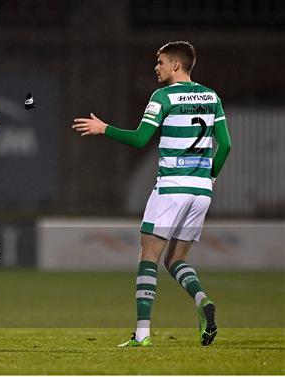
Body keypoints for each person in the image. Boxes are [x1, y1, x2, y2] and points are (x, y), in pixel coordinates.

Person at [72, 41, 231, 347]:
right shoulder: (212, 97)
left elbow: (140, 138)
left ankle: (142, 333)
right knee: (175, 260)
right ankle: (202, 302)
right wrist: (210, 177)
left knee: (149, 257)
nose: (155, 68)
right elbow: (225, 146)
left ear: (176, 65)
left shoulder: (163, 97)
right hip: (200, 192)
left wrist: (104, 128)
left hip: (171, 187)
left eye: (160, 62)